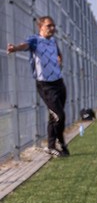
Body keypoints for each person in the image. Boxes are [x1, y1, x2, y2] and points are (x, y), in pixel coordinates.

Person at [7, 16, 70, 157]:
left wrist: (60, 61)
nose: (52, 28)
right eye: (49, 26)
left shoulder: (53, 41)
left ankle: (51, 146)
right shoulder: (35, 40)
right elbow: (25, 46)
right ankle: (60, 142)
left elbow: (59, 54)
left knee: (54, 116)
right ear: (40, 27)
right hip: (45, 85)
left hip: (59, 82)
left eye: (53, 25)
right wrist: (15, 48)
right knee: (59, 116)